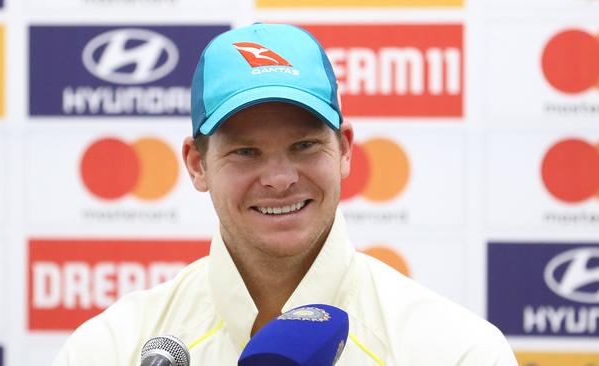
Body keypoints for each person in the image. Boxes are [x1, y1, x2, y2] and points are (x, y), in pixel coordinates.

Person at [52, 23, 518, 365]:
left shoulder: (456, 351)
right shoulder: (113, 348)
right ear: (197, 164)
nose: (278, 178)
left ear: (344, 150)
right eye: (247, 151)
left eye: (303, 146)